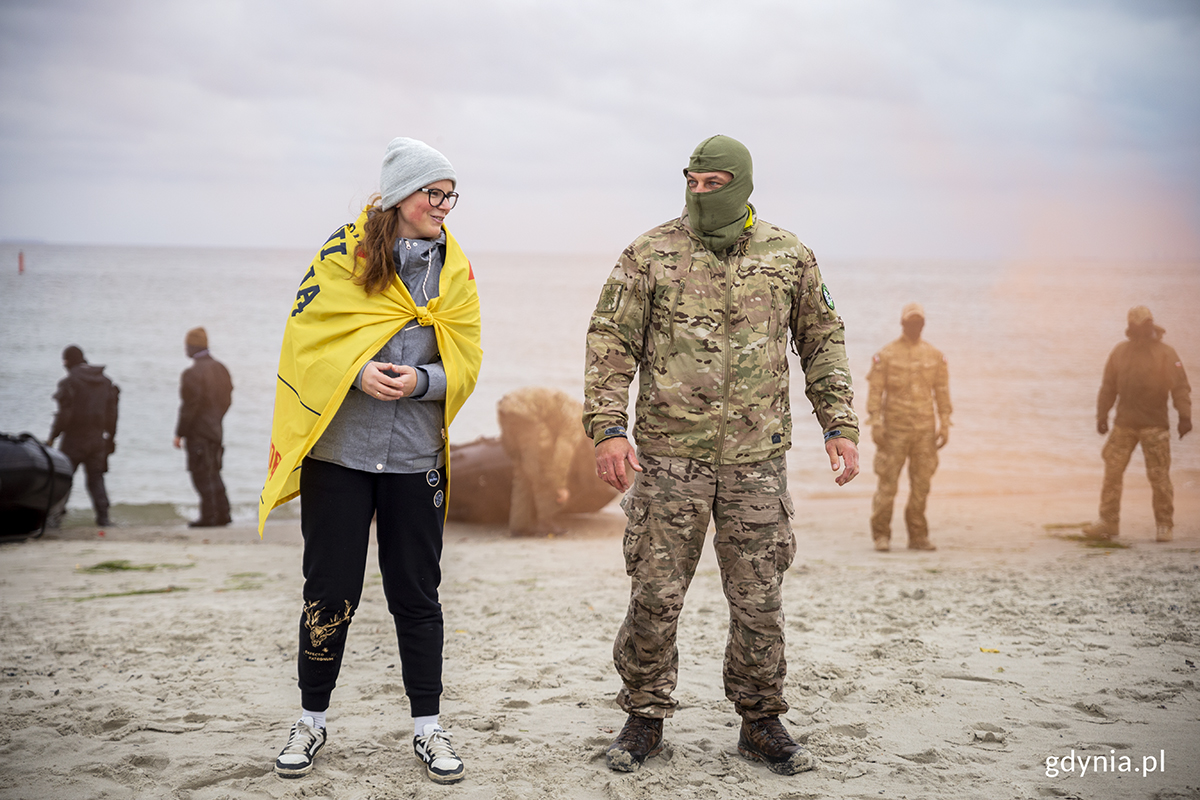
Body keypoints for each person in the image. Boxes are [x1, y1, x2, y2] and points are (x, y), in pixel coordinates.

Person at [584, 134, 860, 776]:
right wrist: (607, 429)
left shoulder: (788, 256)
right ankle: (644, 718)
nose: (701, 192)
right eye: (693, 181)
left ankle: (761, 722)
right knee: (655, 592)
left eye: (714, 182)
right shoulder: (649, 253)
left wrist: (838, 425)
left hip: (756, 462)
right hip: (667, 460)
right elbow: (610, 340)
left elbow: (822, 342)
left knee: (759, 598)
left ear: (742, 184)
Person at [258, 138, 482, 784]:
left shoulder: (456, 273)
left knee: (418, 594)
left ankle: (428, 729)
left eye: (449, 195)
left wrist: (421, 384)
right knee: (330, 591)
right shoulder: (344, 257)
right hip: (340, 458)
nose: (443, 206)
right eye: (431, 193)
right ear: (399, 196)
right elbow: (308, 338)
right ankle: (311, 719)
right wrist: (356, 372)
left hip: (414, 458)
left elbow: (467, 358)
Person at [1083, 306, 1191, 542]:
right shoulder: (1120, 352)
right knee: (1112, 471)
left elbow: (1180, 386)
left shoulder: (1166, 353)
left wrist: (1184, 416)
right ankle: (1108, 521)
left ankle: (1164, 524)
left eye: (1146, 324)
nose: (1142, 329)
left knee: (1159, 476)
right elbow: (1108, 386)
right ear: (1130, 326)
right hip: (1124, 423)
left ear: (1151, 325)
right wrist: (1102, 416)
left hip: (1155, 425)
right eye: (1137, 325)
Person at [865, 302, 952, 552]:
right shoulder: (887, 355)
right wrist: (876, 423)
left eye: (919, 323)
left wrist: (944, 424)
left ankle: (918, 536)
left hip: (925, 432)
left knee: (921, 485)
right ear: (903, 324)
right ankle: (881, 535)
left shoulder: (935, 357)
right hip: (894, 431)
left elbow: (942, 394)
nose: (915, 327)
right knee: (887, 484)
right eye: (911, 323)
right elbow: (875, 393)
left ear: (923, 325)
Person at [496, 386, 589, 535]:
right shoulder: (577, 418)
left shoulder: (568, 406)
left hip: (505, 409)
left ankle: (519, 525)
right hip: (526, 414)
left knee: (522, 471)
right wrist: (560, 486)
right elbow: (562, 453)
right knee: (541, 468)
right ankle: (546, 523)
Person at [47, 345, 119, 526]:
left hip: (74, 439)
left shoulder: (69, 382)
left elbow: (64, 415)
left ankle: (55, 518)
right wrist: (110, 437)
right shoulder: (105, 381)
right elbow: (112, 414)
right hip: (97, 438)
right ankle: (103, 518)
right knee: (96, 479)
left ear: (67, 361)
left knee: (64, 477)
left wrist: (52, 437)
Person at [173, 327, 233, 528]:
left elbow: (190, 406)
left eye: (186, 346)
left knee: (201, 474)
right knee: (214, 471)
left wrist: (179, 433)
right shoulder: (221, 368)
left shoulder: (192, 373)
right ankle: (223, 514)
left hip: (198, 432)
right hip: (216, 429)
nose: (185, 350)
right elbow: (227, 399)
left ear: (192, 346)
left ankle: (209, 517)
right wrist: (216, 418)